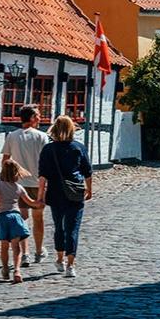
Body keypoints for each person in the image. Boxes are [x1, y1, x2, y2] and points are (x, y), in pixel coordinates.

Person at [38, 115, 92, 278]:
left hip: (55, 193)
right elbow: (87, 172)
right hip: (75, 192)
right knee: (72, 228)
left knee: (59, 226)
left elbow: (43, 175)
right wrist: (89, 190)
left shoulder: (48, 149)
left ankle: (60, 259)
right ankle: (70, 265)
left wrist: (41, 195)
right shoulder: (78, 148)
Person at [2, 105, 49, 266]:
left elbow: (6, 161)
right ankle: (38, 251)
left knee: (22, 219)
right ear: (31, 118)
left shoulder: (12, 136)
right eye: (38, 115)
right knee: (38, 218)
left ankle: (25, 253)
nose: (40, 118)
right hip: (38, 183)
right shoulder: (42, 137)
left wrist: (6, 181)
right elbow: (46, 161)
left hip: (18, 184)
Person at [0, 159, 41, 283]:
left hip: (3, 217)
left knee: (4, 247)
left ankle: (5, 268)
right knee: (16, 247)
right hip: (16, 217)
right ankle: (17, 270)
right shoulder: (19, 187)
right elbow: (31, 202)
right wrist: (41, 201)